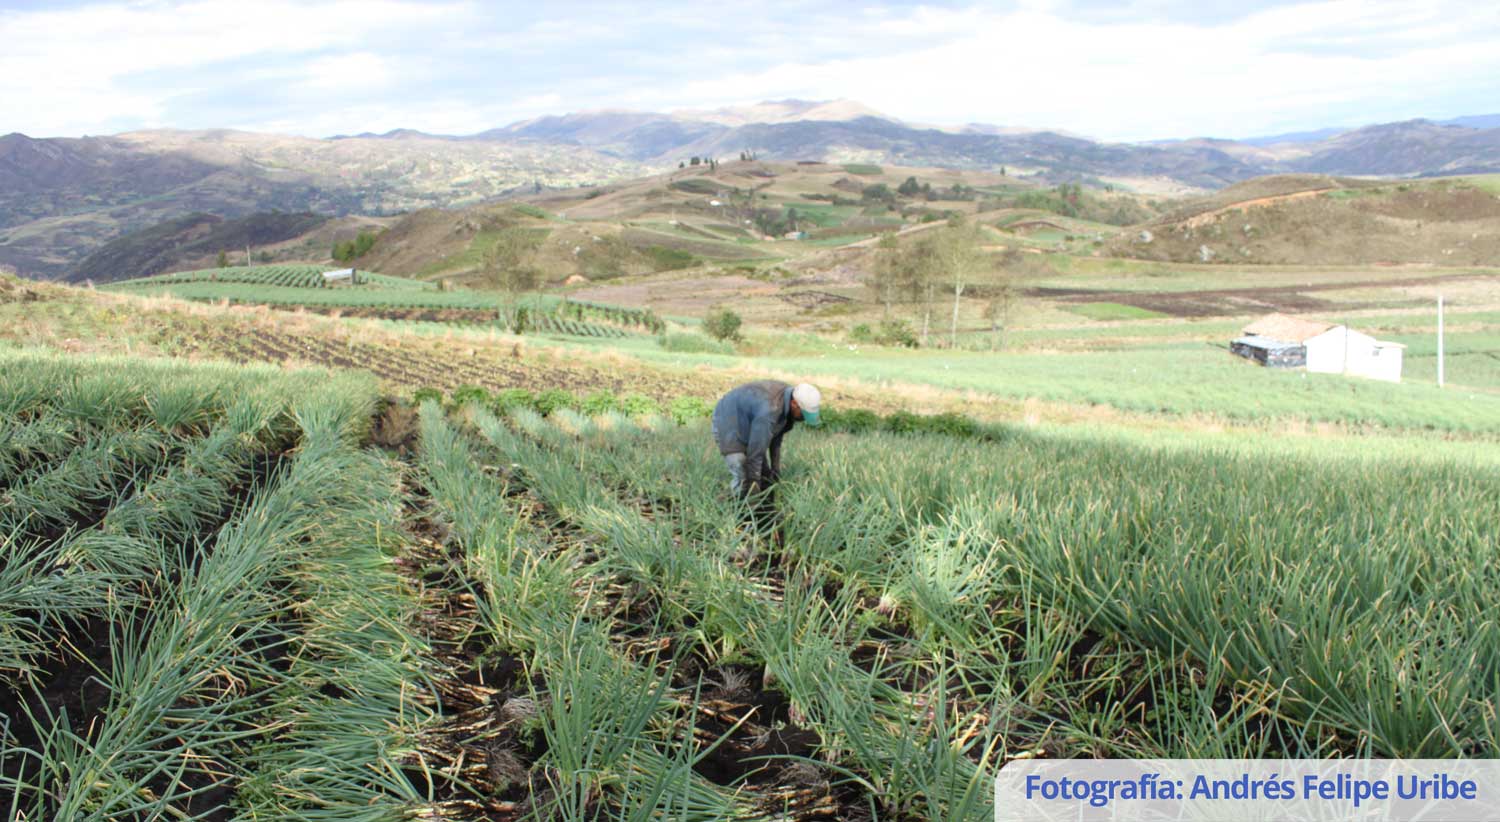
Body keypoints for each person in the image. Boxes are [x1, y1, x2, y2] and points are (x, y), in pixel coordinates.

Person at [711, 380, 821, 501]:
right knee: (742, 472)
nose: (803, 418)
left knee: (766, 476)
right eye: (803, 414)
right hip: (728, 419)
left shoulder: (788, 399)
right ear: (794, 403)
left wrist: (775, 469)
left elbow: (775, 436)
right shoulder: (769, 411)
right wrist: (754, 487)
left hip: (750, 417)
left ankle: (758, 504)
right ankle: (725, 507)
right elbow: (755, 455)